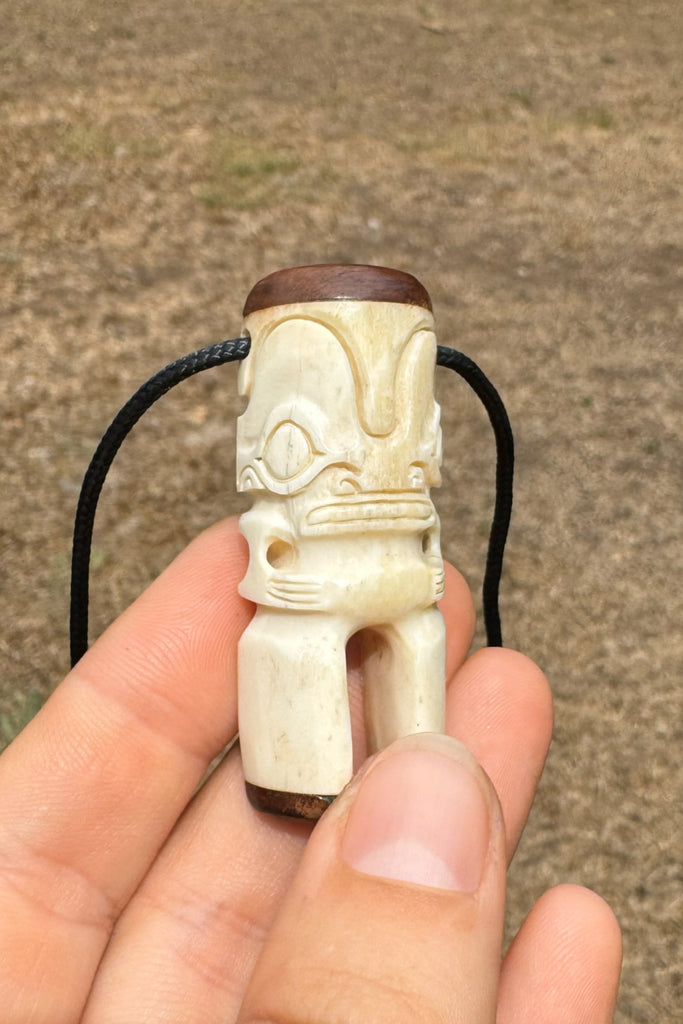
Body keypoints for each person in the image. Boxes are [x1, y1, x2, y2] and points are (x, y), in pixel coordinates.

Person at [0, 517, 621, 1022]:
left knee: (414, 646)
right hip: (315, 586)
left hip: (396, 582)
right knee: (304, 653)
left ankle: (374, 756)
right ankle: (300, 775)